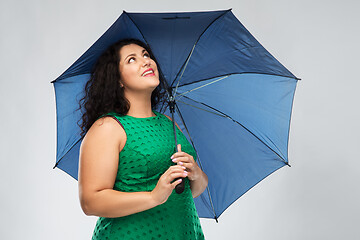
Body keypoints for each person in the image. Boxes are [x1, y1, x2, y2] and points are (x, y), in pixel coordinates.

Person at [77, 38, 208, 239]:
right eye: (132, 59)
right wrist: (153, 197)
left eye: (146, 55)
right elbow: (90, 202)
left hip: (183, 232)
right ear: (118, 79)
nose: (146, 61)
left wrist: (196, 173)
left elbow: (190, 191)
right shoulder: (108, 128)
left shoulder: (167, 122)